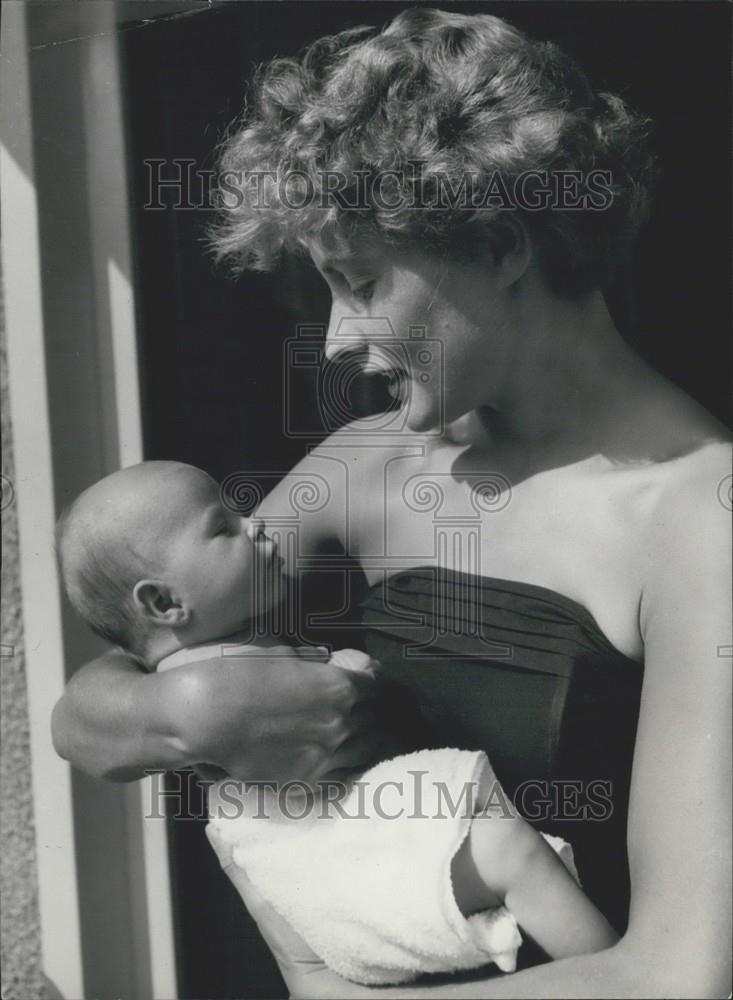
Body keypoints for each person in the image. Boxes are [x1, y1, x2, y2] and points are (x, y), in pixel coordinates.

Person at [52, 8, 731, 998]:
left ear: (499, 243)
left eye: (358, 281)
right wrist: (192, 708)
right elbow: (85, 712)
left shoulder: (699, 519)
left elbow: (682, 974)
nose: (332, 339)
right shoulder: (367, 466)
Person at [54, 459, 617, 984]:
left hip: (340, 871)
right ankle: (623, 982)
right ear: (164, 603)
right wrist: (344, 668)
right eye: (224, 527)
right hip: (331, 867)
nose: (257, 524)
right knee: (510, 850)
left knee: (502, 846)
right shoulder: (202, 668)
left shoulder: (222, 640)